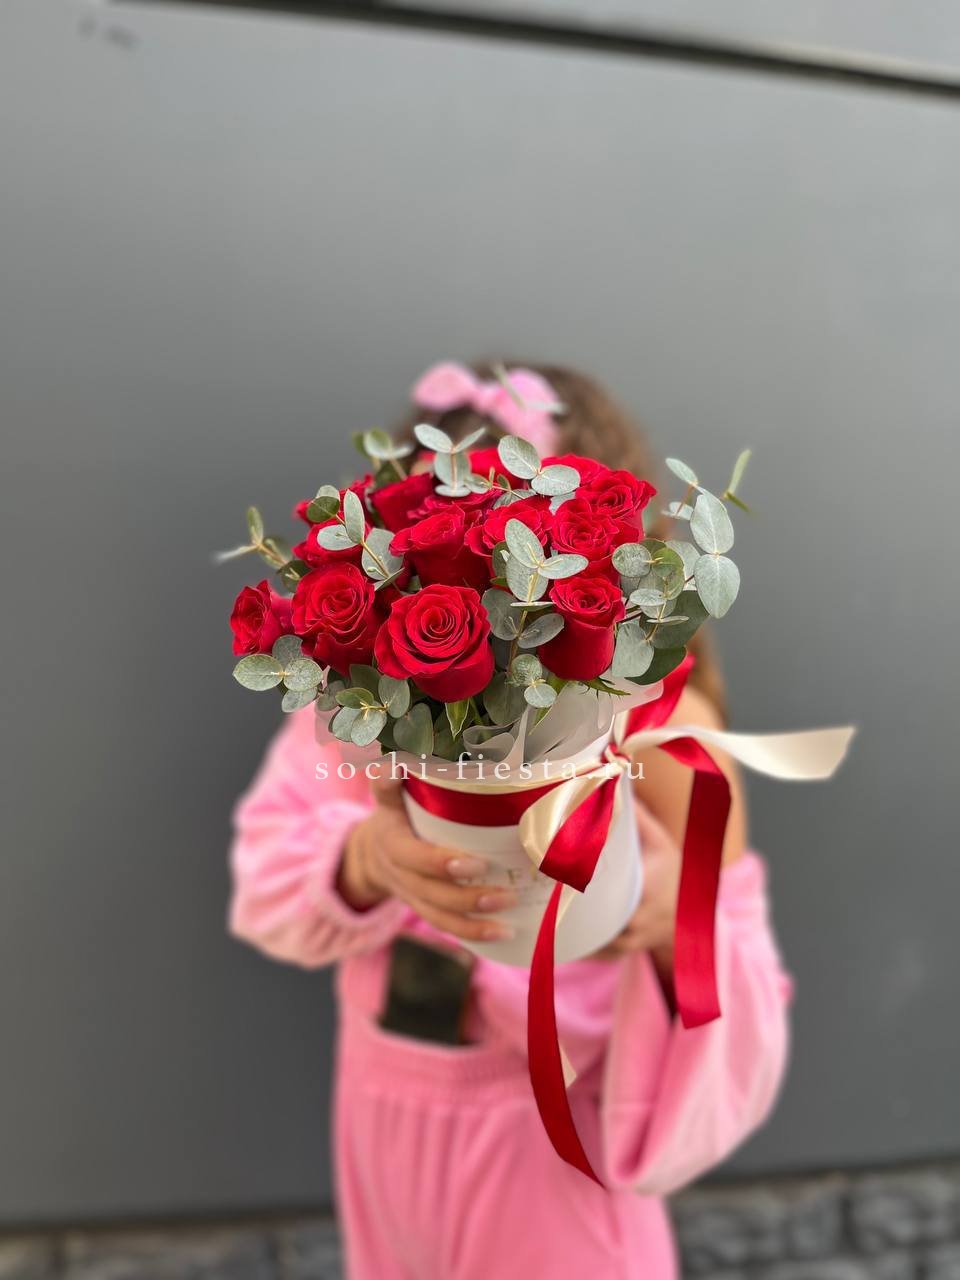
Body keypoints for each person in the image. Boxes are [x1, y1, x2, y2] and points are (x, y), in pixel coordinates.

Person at [228, 361, 792, 1280]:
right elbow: (264, 882)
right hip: (386, 1118)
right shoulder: (357, 718)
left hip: (554, 1133)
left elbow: (730, 958)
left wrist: (670, 923)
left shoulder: (661, 731)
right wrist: (367, 857)